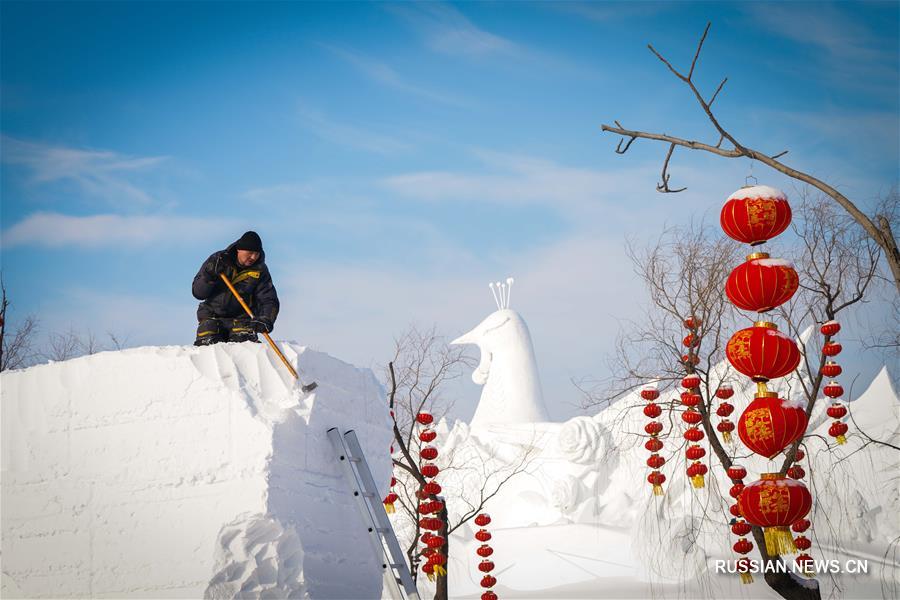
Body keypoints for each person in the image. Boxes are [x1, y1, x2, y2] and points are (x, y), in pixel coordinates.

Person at [192, 231, 280, 346]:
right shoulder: (218, 260)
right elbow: (198, 293)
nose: (253, 257)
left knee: (244, 348)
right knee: (208, 345)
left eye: (257, 253)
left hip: (243, 319)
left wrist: (266, 319)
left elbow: (269, 299)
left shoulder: (260, 270)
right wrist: (209, 275)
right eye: (250, 252)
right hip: (211, 316)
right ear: (239, 249)